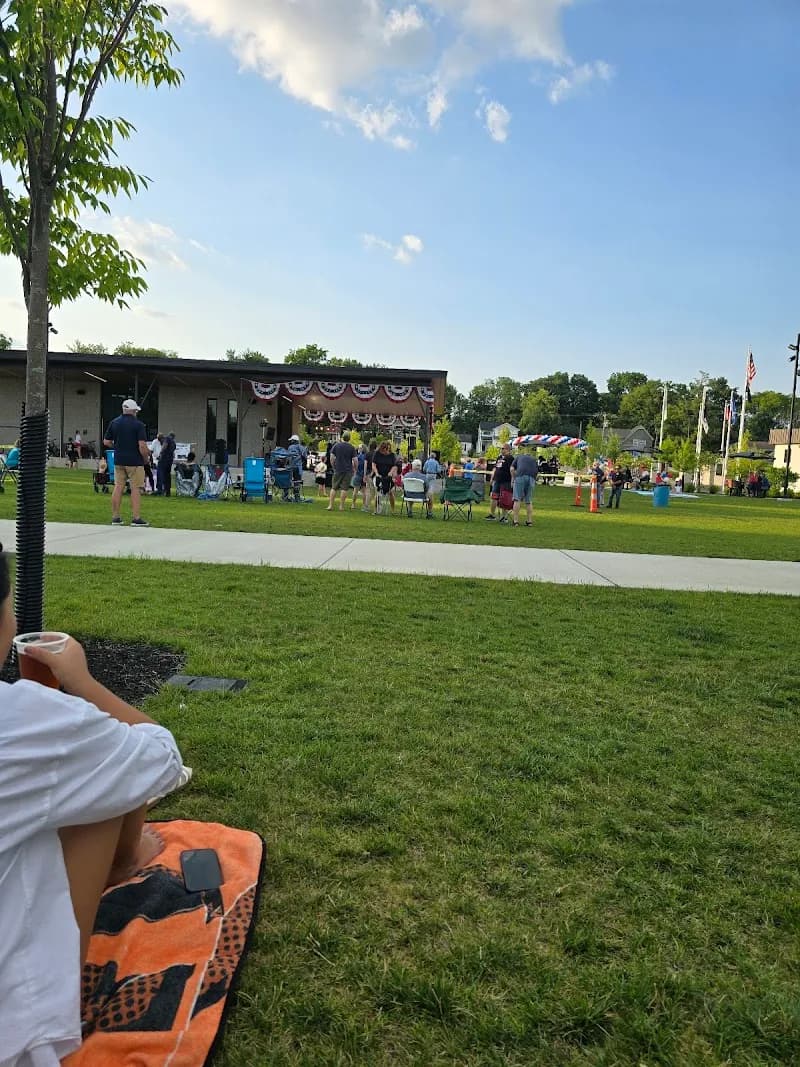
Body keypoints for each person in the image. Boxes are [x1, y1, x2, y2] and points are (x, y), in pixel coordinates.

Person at [0, 545, 184, 1067]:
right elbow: (161, 757)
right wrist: (78, 685)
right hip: (15, 1033)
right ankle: (123, 862)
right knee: (106, 772)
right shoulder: (22, 719)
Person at [103, 399, 150, 526]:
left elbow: (106, 442)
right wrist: (146, 458)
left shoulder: (114, 422)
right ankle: (136, 517)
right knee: (135, 488)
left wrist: (117, 447)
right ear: (134, 411)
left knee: (118, 487)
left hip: (118, 460)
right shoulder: (138, 425)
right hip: (135, 461)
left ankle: (116, 517)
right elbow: (142, 445)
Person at [327, 430, 357, 511]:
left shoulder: (336, 446)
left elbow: (331, 457)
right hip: (348, 470)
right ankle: (341, 506)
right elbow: (355, 460)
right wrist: (355, 469)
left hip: (338, 469)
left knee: (334, 487)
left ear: (342, 437)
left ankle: (330, 505)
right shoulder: (352, 447)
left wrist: (333, 466)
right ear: (349, 438)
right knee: (344, 488)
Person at [486, 442, 514, 522]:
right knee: (494, 497)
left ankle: (503, 517)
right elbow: (495, 468)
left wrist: (512, 480)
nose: (501, 450)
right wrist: (492, 478)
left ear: (508, 449)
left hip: (506, 481)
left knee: (504, 498)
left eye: (503, 448)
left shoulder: (510, 458)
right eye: (501, 448)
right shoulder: (499, 458)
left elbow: (512, 470)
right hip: (497, 480)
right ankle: (492, 514)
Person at [511, 449, 538, 526]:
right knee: (528, 501)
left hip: (520, 476)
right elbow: (537, 472)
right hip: (532, 477)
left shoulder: (518, 457)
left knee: (517, 499)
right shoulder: (533, 459)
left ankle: (515, 521)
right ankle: (529, 521)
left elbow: (512, 469)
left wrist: (513, 478)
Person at [371, 439, 398, 514]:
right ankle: (376, 510)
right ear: (382, 449)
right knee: (378, 491)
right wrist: (376, 473)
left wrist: (391, 472)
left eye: (388, 450)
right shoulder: (377, 454)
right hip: (378, 475)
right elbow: (373, 465)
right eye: (385, 450)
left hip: (388, 476)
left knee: (390, 492)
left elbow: (394, 466)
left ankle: (393, 510)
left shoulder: (392, 455)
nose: (386, 452)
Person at [157, 432, 176, 498]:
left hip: (164, 459)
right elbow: (173, 453)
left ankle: (160, 490)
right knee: (168, 475)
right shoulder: (174, 443)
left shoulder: (166, 439)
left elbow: (165, 446)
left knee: (160, 474)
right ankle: (168, 492)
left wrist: (160, 454)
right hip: (170, 461)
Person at [351, 444, 369, 510]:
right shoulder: (366, 456)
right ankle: (364, 505)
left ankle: (353, 504)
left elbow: (353, 464)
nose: (358, 449)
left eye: (359, 448)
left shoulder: (358, 456)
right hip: (364, 475)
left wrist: (354, 470)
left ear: (362, 449)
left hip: (358, 474)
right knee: (364, 491)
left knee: (355, 490)